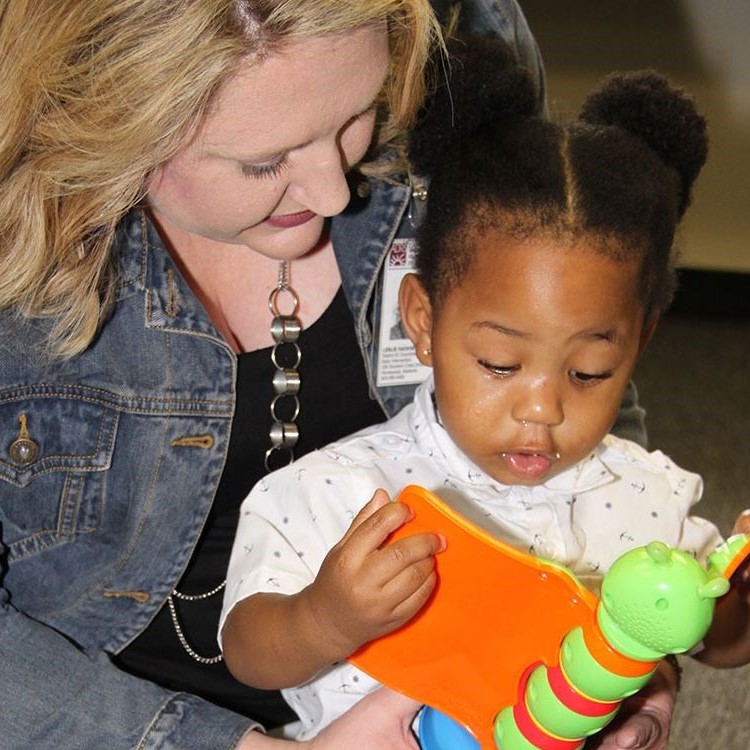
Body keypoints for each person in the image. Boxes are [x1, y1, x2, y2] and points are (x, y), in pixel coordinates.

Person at [0, 1, 555, 749]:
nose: (333, 192)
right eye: (265, 163)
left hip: (437, 683)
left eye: (362, 113)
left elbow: (569, 352)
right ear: (102, 121)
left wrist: (616, 660)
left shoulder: (469, 44)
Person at [219, 36, 750, 747]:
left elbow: (721, 645)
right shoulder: (349, 490)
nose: (542, 408)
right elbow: (248, 651)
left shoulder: (645, 494)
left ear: (639, 345)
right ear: (425, 325)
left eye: (588, 373)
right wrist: (326, 616)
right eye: (500, 362)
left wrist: (724, 600)